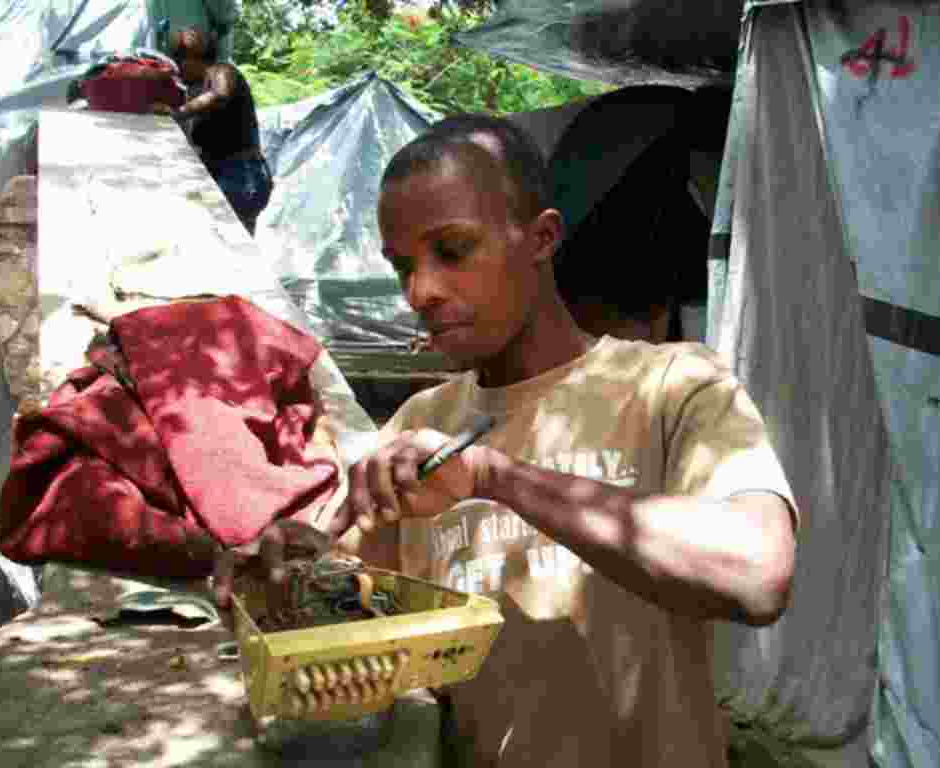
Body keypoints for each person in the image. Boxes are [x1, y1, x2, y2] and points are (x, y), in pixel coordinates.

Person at [214, 117, 799, 768]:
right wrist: (277, 586)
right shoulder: (416, 424)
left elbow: (758, 574)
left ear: (541, 237)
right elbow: (355, 623)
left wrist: (496, 476)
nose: (421, 291)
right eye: (404, 266)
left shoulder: (669, 385)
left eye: (453, 251)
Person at [154, 27, 273, 235]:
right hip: (233, 174)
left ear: (192, 58)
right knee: (229, 241)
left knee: (228, 241)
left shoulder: (222, 71)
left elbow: (220, 93)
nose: (179, 70)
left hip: (240, 175)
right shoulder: (198, 89)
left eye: (180, 62)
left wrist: (178, 113)